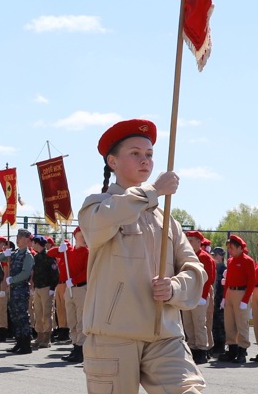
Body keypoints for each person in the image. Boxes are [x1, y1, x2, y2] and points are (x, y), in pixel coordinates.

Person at [78, 118, 206, 393]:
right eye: (135, 153)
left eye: (149, 155)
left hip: (165, 335)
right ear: (112, 162)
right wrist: (153, 191)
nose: (145, 160)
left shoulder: (166, 218)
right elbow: (104, 221)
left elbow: (194, 269)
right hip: (114, 336)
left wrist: (174, 287)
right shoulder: (96, 206)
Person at [52, 226, 88, 363]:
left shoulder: (87, 252)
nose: (84, 238)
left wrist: (73, 280)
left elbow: (86, 272)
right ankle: (75, 347)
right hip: (70, 290)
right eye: (82, 235)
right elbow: (50, 253)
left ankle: (81, 349)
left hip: (81, 288)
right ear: (75, 236)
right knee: (71, 319)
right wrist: (60, 248)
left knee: (81, 321)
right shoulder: (69, 252)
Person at [219, 234, 255, 364]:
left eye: (232, 248)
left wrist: (245, 300)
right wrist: (224, 297)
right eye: (229, 248)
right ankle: (232, 349)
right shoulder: (230, 261)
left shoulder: (248, 261)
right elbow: (228, 281)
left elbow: (252, 282)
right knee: (229, 323)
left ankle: (242, 350)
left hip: (241, 293)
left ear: (240, 248)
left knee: (241, 324)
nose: (230, 251)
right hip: (230, 293)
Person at [182, 231, 216, 364]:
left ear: (198, 242)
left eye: (191, 240)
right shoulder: (186, 256)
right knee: (189, 323)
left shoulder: (205, 257)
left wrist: (203, 296)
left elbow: (209, 279)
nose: (188, 243)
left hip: (199, 295)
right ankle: (192, 348)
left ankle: (202, 350)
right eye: (187, 240)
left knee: (199, 323)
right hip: (187, 294)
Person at [3, 228, 34, 355]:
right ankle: (19, 341)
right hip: (13, 289)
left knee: (22, 317)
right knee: (15, 316)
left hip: (21, 289)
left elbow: (26, 273)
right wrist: (5, 252)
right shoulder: (15, 253)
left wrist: (13, 279)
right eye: (17, 237)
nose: (18, 239)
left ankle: (26, 344)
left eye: (20, 237)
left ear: (27, 239)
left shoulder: (27, 255)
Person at [30, 235, 58, 349]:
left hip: (47, 288)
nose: (32, 245)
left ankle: (47, 338)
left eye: (33, 243)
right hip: (38, 287)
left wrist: (52, 288)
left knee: (47, 313)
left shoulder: (49, 256)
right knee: (38, 312)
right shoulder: (36, 257)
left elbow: (55, 273)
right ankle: (40, 336)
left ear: (37, 243)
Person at [48, 238, 70, 345]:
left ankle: (67, 330)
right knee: (60, 309)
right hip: (59, 284)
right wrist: (59, 249)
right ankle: (62, 328)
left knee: (67, 308)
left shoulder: (69, 255)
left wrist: (67, 248)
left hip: (67, 284)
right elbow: (50, 252)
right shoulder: (61, 256)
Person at [0, 236, 11, 343]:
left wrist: (3, 288)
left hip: (1, 286)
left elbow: (6, 273)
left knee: (2, 310)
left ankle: (3, 332)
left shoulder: (4, 256)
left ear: (2, 244)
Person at [209, 247, 227, 356]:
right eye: (213, 254)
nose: (215, 256)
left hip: (221, 299)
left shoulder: (224, 269)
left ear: (222, 256)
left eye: (217, 255)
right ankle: (214, 344)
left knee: (221, 322)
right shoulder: (212, 267)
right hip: (213, 298)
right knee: (213, 322)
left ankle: (221, 345)